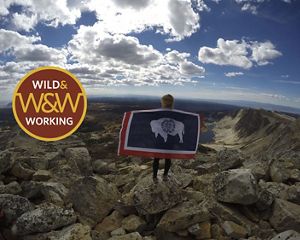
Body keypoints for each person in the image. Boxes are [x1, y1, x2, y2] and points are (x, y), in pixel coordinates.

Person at [152, 94, 174, 182]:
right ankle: (163, 175)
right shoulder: (175, 113)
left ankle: (155, 177)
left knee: (158, 158)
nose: (166, 102)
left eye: (166, 100)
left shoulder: (159, 112)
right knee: (167, 157)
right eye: (166, 100)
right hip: (168, 139)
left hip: (162, 138)